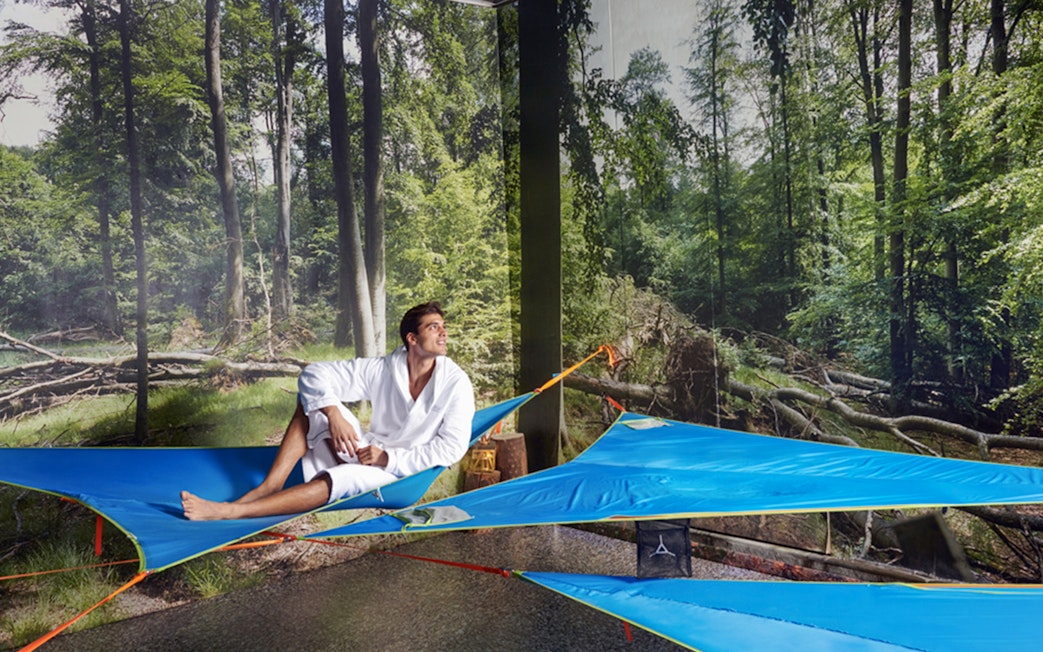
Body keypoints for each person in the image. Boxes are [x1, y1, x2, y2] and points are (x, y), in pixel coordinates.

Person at [181, 301, 475, 520]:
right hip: (366, 451)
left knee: (345, 477)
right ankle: (271, 484)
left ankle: (231, 511)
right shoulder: (384, 369)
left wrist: (389, 458)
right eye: (434, 327)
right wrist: (333, 413)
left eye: (443, 326)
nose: (444, 333)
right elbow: (314, 375)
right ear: (412, 339)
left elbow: (451, 448)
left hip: (402, 476)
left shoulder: (455, 383)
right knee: (313, 404)